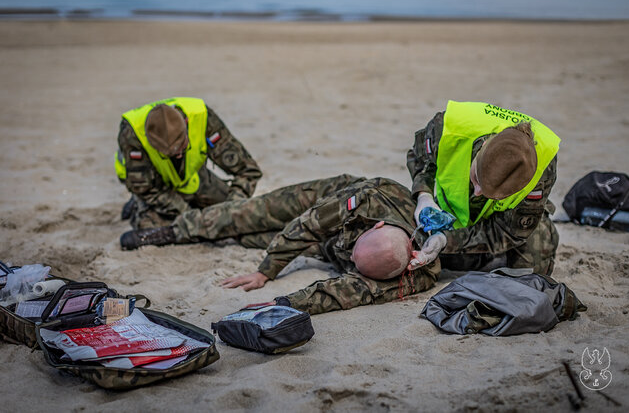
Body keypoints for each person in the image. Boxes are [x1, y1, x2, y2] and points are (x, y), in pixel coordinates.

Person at [119, 175, 440, 315]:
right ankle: (174, 231)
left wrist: (284, 304)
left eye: (358, 265)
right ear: (378, 226)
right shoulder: (368, 198)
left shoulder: (417, 275)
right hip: (328, 200)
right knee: (255, 213)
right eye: (356, 252)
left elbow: (344, 293)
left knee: (248, 239)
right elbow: (308, 225)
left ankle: (207, 232)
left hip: (328, 248)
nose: (353, 262)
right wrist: (265, 272)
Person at [406, 100, 560, 275]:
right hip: (451, 214)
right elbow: (420, 158)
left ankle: (495, 255)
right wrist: (423, 194)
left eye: (495, 195)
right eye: (476, 179)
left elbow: (508, 232)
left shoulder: (543, 169)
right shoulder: (448, 127)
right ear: (484, 146)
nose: (478, 192)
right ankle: (483, 257)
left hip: (504, 221)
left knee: (530, 276)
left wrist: (446, 240)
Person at [114, 97, 262, 229]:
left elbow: (248, 171)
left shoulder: (202, 117)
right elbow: (145, 188)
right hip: (154, 185)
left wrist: (230, 211)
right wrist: (190, 215)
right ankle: (135, 205)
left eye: (182, 147)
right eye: (169, 153)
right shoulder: (132, 133)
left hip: (192, 177)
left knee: (233, 214)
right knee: (156, 227)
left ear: (186, 124)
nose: (178, 155)